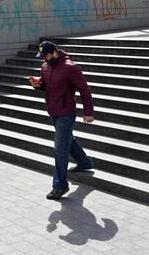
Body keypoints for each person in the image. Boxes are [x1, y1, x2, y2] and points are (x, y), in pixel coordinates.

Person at [29, 40, 95, 200]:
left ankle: (60, 185)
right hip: (53, 111)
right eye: (42, 56)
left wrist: (88, 112)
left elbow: (84, 90)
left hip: (66, 112)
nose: (44, 59)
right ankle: (85, 162)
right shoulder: (45, 66)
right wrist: (37, 85)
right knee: (67, 140)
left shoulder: (70, 67)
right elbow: (46, 86)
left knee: (60, 148)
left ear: (55, 52)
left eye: (46, 56)